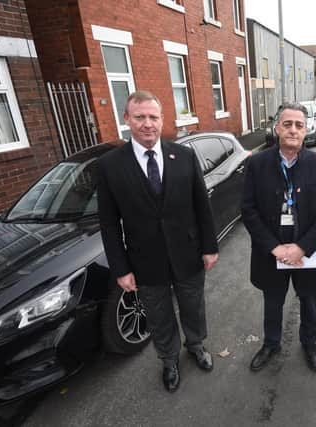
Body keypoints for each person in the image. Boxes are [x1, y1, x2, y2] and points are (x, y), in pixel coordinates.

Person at [97, 90, 219, 393]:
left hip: (188, 252)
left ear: (162, 119)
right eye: (139, 117)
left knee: (193, 305)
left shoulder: (184, 156)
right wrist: (121, 268)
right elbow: (109, 222)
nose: (147, 124)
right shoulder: (110, 165)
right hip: (144, 260)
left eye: (153, 117)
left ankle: (196, 345)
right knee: (159, 314)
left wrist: (209, 246)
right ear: (127, 120)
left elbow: (201, 206)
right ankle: (168, 359)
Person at [242, 102, 316, 372]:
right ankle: (271, 344)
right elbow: (248, 210)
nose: (293, 130)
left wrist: (301, 247)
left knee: (308, 299)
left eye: (299, 125)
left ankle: (309, 343)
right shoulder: (257, 164)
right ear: (276, 128)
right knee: (273, 301)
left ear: (306, 129)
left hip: (307, 252)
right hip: (270, 253)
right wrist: (273, 247)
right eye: (287, 124)